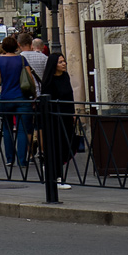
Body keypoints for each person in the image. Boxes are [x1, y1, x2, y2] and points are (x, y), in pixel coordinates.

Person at [0, 35, 33, 168]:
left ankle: (10, 159)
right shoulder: (21, 59)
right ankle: (22, 160)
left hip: (6, 98)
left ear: (3, 47)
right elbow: (29, 78)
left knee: (7, 128)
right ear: (16, 46)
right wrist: (33, 95)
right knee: (22, 130)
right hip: (22, 98)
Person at [42, 52, 78, 189]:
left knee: (70, 145)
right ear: (54, 65)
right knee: (57, 146)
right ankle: (56, 177)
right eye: (60, 62)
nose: (64, 64)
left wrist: (72, 112)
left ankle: (51, 168)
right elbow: (47, 101)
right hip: (55, 118)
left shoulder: (65, 76)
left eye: (64, 61)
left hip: (66, 116)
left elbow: (70, 95)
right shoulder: (49, 81)